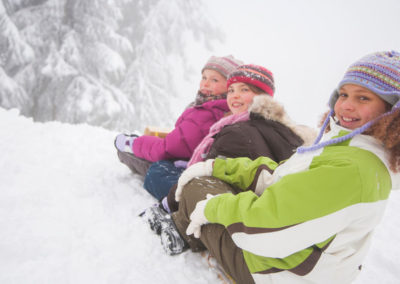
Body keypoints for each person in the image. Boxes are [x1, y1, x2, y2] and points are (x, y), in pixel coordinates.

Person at [151, 51, 400, 283]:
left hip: (278, 272)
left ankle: (182, 229)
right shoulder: (351, 152)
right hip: (312, 265)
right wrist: (219, 167)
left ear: (392, 110)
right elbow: (282, 175)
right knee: (208, 179)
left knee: (195, 187)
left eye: (363, 98)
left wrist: (209, 207)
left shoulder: (352, 167)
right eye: (344, 95)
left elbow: (264, 226)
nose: (346, 105)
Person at [143, 65, 315, 225]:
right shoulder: (275, 125)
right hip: (257, 201)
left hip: (227, 205)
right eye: (231, 90)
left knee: (157, 171)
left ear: (262, 96)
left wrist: (168, 204)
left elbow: (211, 175)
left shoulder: (238, 130)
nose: (234, 95)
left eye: (244, 90)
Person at [114, 55, 242, 177]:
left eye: (214, 80)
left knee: (130, 155)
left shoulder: (206, 114)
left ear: (230, 88)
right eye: (204, 77)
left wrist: (132, 143)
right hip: (196, 163)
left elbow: (167, 149)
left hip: (185, 170)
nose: (205, 84)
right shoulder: (229, 112)